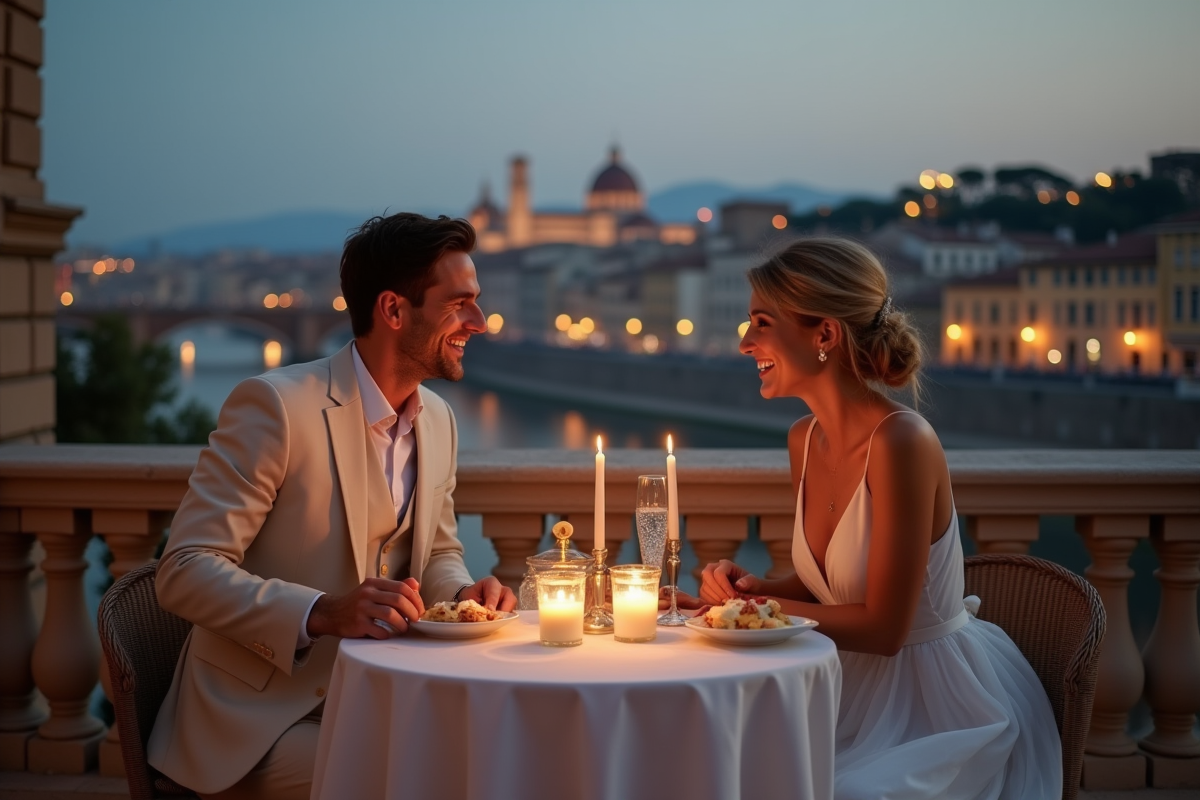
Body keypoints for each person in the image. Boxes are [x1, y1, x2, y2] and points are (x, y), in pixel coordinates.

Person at [147, 213, 516, 800]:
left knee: (497, 757)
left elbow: (440, 551)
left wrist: (462, 596)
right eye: (460, 304)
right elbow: (185, 570)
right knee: (429, 779)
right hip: (257, 723)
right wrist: (322, 612)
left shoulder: (439, 421)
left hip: (376, 699)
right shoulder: (275, 408)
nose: (479, 321)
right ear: (394, 311)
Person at [697, 238, 1062, 799]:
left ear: (824, 335)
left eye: (761, 323)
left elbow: (887, 629)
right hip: (842, 683)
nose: (745, 343)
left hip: (930, 704)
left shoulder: (901, 442)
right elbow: (829, 586)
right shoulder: (804, 439)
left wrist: (748, 611)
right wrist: (755, 589)